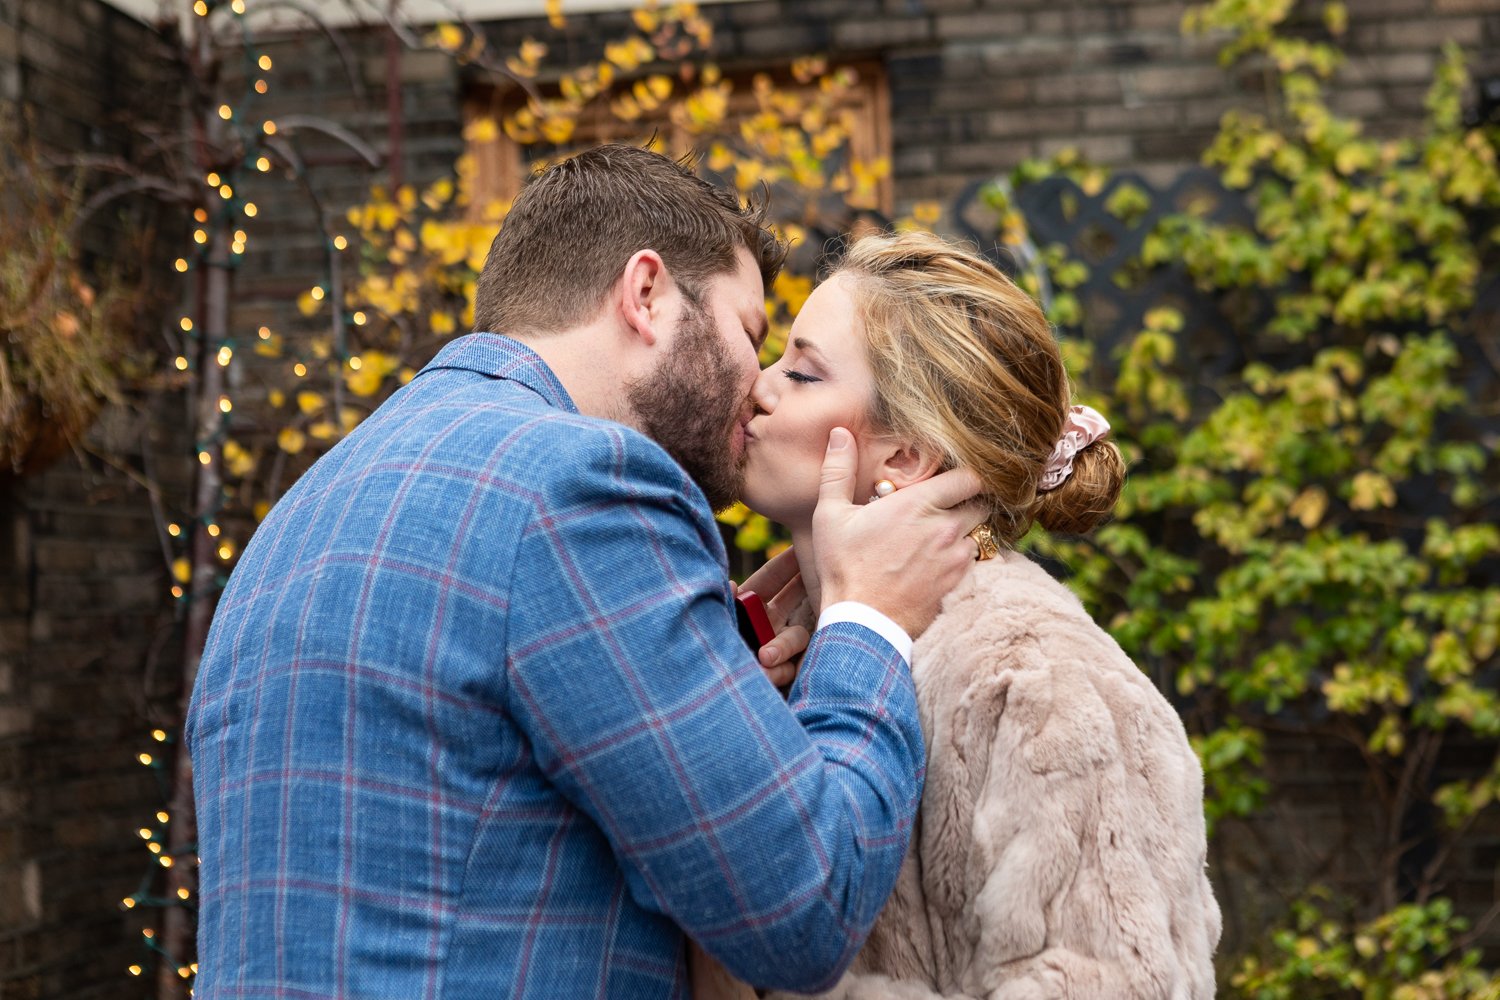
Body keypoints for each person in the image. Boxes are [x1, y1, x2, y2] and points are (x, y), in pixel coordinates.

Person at [185, 146, 990, 1000]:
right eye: (750, 336)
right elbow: (804, 907)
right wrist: (865, 620)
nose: (757, 386)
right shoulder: (584, 484)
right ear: (646, 295)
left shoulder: (307, 507)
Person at [696, 231, 1221, 999]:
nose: (759, 388)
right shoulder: (786, 653)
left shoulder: (1035, 677)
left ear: (906, 458)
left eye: (802, 373)